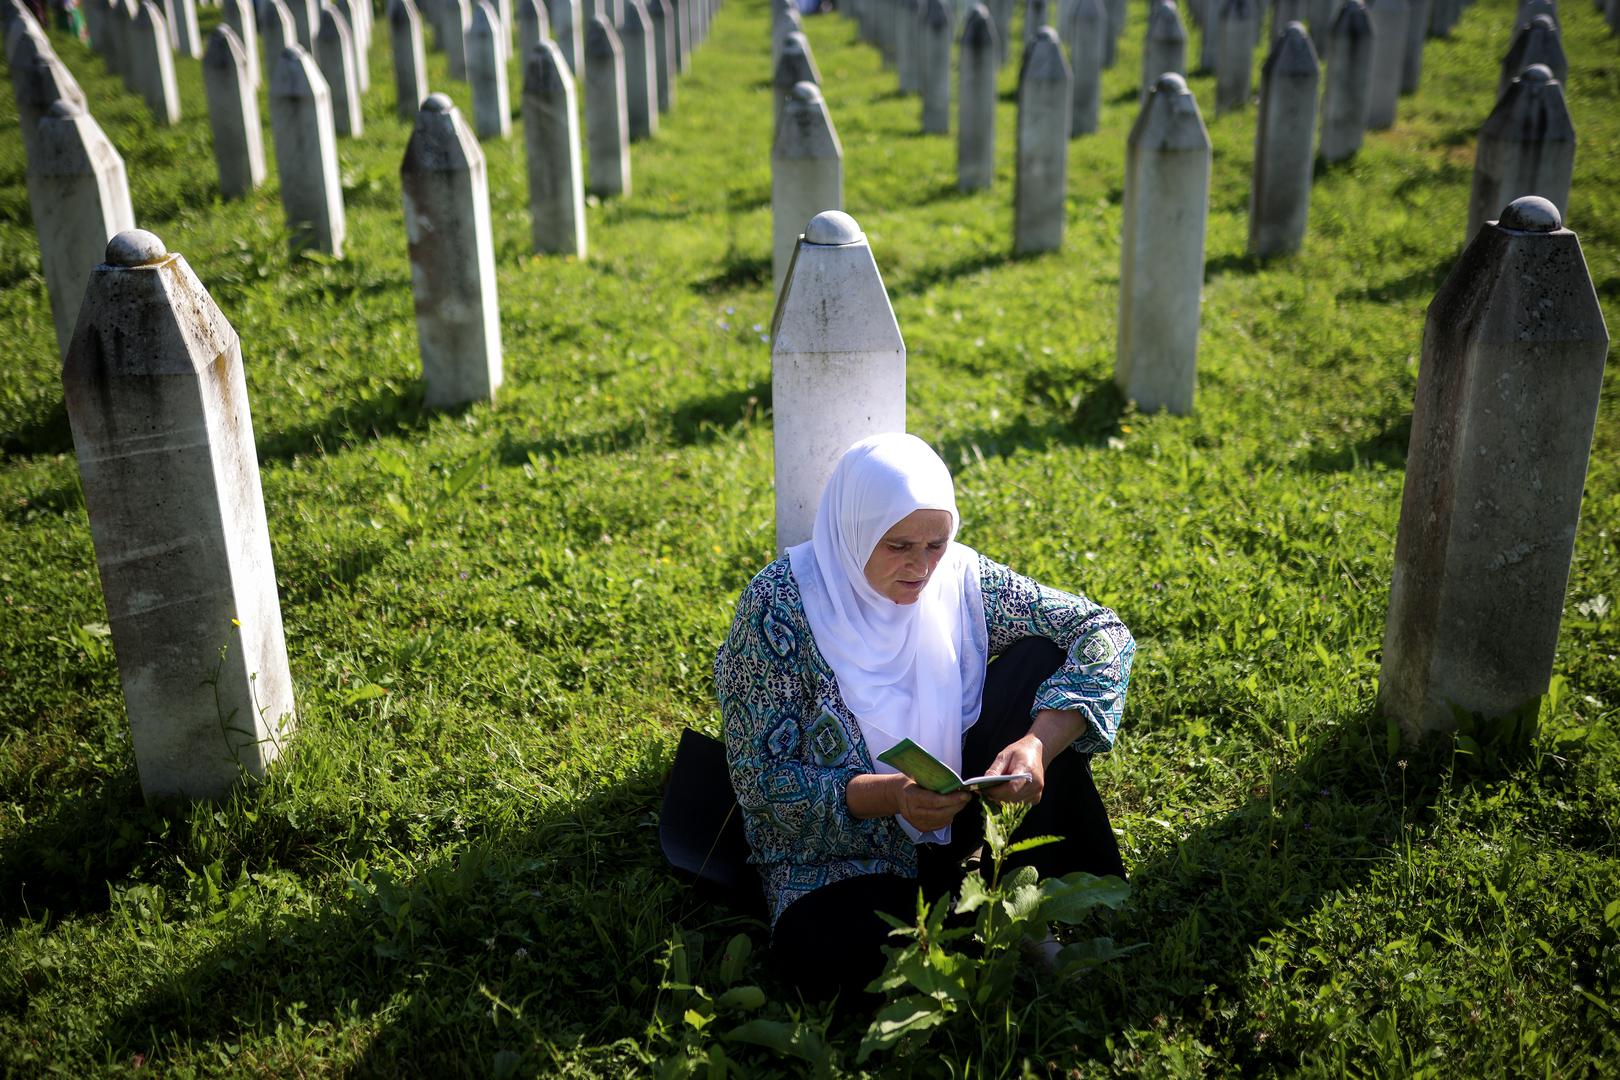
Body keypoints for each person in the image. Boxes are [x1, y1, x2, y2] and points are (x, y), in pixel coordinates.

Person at [713, 433, 1135, 1002]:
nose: (921, 568)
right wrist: (894, 796)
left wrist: (1037, 743)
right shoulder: (780, 609)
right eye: (899, 546)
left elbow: (1100, 632)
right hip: (844, 850)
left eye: (937, 543)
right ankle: (988, 914)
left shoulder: (959, 578)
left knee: (1044, 655)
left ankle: (1017, 900)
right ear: (852, 531)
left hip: (954, 812)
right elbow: (761, 782)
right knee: (832, 952)